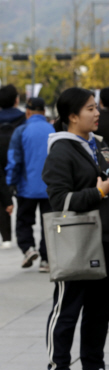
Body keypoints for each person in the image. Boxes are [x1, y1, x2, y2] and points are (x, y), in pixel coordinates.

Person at [42, 87, 109, 370]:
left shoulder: (98, 145)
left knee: (100, 308)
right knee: (67, 308)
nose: (97, 112)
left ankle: (93, 368)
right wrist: (98, 193)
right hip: (76, 240)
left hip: (106, 236)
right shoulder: (61, 151)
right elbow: (59, 200)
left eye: (96, 107)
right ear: (73, 116)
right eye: (90, 108)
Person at [5, 97, 54, 271]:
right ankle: (46, 260)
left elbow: (14, 160)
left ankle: (28, 249)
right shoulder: (53, 130)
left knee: (24, 221)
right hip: (50, 187)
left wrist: (10, 182)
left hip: (27, 187)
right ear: (43, 112)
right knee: (49, 223)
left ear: (27, 112)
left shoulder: (21, 131)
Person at [0, 84, 26, 248]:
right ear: (17, 100)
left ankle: (6, 237)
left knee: (1, 194)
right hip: (19, 161)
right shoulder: (24, 118)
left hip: (0, 161)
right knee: (23, 197)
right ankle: (23, 232)